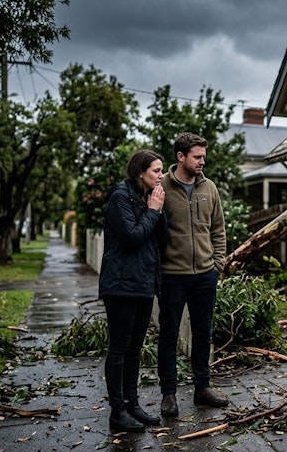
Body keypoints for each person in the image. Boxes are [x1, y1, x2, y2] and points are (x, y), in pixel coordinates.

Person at [157, 132, 228, 417]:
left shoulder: (209, 188)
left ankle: (202, 388)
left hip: (205, 275)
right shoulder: (161, 187)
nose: (202, 161)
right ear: (181, 156)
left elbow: (218, 229)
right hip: (172, 275)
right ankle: (168, 394)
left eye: (203, 156)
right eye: (197, 156)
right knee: (168, 334)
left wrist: (217, 264)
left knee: (203, 333)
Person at [98, 150, 167, 432]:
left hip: (143, 283)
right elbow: (132, 237)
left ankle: (132, 404)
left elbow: (162, 238)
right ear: (140, 173)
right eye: (156, 171)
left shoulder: (147, 198)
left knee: (135, 349)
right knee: (119, 349)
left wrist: (157, 210)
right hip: (121, 285)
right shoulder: (120, 198)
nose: (161, 176)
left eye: (162, 170)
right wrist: (153, 211)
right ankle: (117, 411)